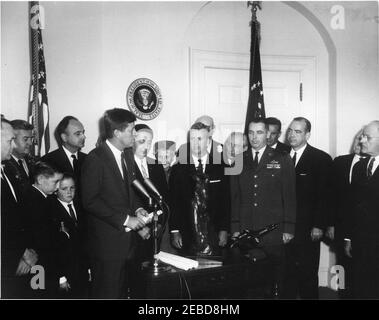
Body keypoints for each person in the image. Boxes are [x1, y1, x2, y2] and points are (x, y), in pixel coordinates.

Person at [81, 108, 148, 299]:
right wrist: (127, 219)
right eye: (132, 130)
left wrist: (138, 208)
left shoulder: (126, 155)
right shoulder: (95, 158)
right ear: (117, 133)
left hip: (127, 244)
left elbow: (129, 191)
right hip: (107, 247)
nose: (135, 134)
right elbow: (90, 201)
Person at [230, 118, 296, 298]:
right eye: (251, 133)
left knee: (275, 281)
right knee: (248, 282)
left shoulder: (282, 159)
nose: (254, 137)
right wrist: (235, 228)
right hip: (246, 230)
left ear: (267, 134)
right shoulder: (237, 160)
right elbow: (234, 198)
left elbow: (289, 196)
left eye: (259, 132)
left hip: (274, 231)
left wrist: (289, 228)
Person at [286, 117, 333, 299]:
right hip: (285, 227)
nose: (292, 135)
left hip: (308, 228)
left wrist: (319, 225)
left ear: (308, 134)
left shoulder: (320, 159)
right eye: (290, 130)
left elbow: (324, 196)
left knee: (307, 273)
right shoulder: (281, 157)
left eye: (297, 131)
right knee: (287, 273)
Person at [169, 122, 230, 256]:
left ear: (208, 140)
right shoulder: (178, 169)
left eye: (200, 139)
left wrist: (224, 229)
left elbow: (225, 201)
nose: (196, 143)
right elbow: (174, 202)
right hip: (187, 232)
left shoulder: (220, 167)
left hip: (213, 232)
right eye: (192, 139)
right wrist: (174, 231)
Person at [1, 118, 37, 298]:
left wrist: (29, 250)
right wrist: (22, 252)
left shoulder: (9, 169)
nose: (12, 144)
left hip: (26, 253)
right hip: (11, 259)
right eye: (9, 140)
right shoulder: (7, 168)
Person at [329, 129, 366, 298]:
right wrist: (330, 223)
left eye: (363, 139)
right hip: (341, 226)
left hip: (365, 230)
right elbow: (330, 195)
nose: (358, 143)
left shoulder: (373, 165)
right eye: (357, 138)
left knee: (363, 272)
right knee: (342, 266)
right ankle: (343, 295)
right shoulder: (340, 162)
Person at [344, 121, 379, 299]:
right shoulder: (359, 167)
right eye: (362, 136)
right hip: (360, 242)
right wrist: (349, 238)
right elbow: (352, 206)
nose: (362, 140)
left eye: (368, 137)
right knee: (361, 287)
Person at [23, 161, 63, 298]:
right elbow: (42, 239)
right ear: (40, 179)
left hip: (46, 264)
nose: (58, 187)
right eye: (55, 182)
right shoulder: (32, 201)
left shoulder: (44, 198)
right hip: (39, 265)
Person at [49, 173, 88, 298]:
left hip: (81, 270)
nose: (69, 192)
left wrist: (88, 268)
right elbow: (53, 249)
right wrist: (61, 277)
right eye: (64, 189)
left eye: (72, 188)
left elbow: (85, 240)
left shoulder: (80, 206)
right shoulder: (52, 210)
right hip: (65, 272)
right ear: (56, 190)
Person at [41, 116, 86, 205]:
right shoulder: (48, 161)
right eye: (78, 134)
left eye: (83, 133)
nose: (83, 137)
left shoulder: (88, 159)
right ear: (64, 137)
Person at [3, 120, 35, 193]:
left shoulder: (31, 160)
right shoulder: (5, 165)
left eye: (31, 139)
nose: (30, 143)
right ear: (12, 139)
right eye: (25, 139)